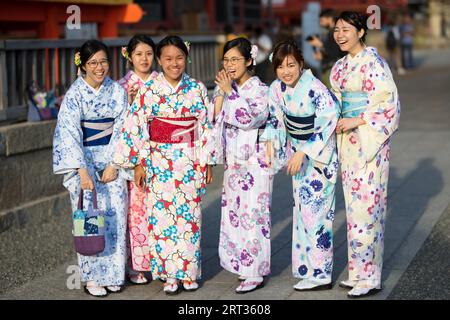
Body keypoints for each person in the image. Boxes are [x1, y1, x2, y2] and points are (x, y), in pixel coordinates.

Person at [113, 35, 214, 295]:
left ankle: (189, 272)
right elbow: (135, 127)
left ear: (186, 58)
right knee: (161, 220)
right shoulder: (149, 90)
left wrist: (208, 161)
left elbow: (206, 127)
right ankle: (169, 274)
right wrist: (138, 163)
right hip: (159, 162)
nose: (174, 63)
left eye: (179, 58)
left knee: (190, 219)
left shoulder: (197, 88)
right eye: (168, 58)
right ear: (160, 60)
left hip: (190, 160)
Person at [330, 11, 400, 298]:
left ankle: (370, 276)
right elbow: (334, 100)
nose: (340, 35)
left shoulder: (374, 63)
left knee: (368, 208)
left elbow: (388, 102)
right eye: (336, 29)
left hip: (369, 141)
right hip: (347, 141)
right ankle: (357, 271)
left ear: (360, 31)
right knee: (354, 208)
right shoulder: (339, 66)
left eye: (346, 29)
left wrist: (357, 119)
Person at [53, 40, 128, 297]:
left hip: (111, 161)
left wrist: (115, 163)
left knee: (115, 214)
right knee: (89, 217)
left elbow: (122, 129)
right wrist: (81, 170)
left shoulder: (117, 92)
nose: (99, 67)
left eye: (104, 61)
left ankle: (114, 274)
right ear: (83, 65)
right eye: (93, 63)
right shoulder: (74, 95)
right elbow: (68, 133)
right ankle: (92, 277)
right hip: (83, 161)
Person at [263, 40, 339, 291]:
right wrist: (272, 146)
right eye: (281, 67)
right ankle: (308, 268)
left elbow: (328, 121)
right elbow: (275, 118)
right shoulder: (276, 88)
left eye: (291, 65)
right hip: (298, 153)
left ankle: (321, 273)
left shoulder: (315, 88)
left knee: (317, 214)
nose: (286, 71)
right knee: (303, 212)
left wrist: (304, 151)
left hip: (317, 158)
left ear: (301, 64)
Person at [212, 37, 273, 294]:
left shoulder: (261, 89)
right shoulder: (226, 88)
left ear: (250, 61)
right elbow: (214, 119)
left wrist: (228, 93)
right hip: (235, 161)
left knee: (255, 214)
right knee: (235, 213)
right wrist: (219, 97)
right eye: (226, 59)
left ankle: (255, 270)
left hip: (256, 160)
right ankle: (240, 261)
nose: (230, 64)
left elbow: (250, 118)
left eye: (236, 59)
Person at [117, 34, 158, 285]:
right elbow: (118, 125)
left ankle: (161, 260)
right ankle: (137, 265)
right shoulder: (120, 86)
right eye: (139, 54)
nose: (144, 59)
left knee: (161, 208)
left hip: (162, 153)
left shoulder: (161, 82)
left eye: (149, 53)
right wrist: (129, 106)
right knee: (136, 210)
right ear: (129, 56)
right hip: (135, 155)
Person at [307, 9, 345, 88]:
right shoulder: (331, 33)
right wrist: (321, 56)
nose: (320, 22)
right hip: (330, 69)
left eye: (321, 19)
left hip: (334, 70)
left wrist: (320, 45)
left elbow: (336, 53)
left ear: (330, 18)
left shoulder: (336, 33)